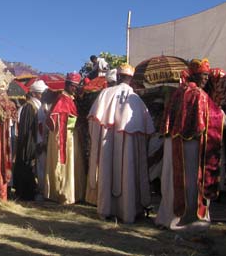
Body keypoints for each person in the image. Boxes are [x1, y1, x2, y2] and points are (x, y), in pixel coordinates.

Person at [156, 59, 224, 232]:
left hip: (176, 143)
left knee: (172, 179)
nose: (205, 79)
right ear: (194, 75)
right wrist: (221, 112)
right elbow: (214, 116)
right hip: (190, 146)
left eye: (207, 76)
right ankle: (187, 219)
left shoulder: (178, 92)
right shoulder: (198, 94)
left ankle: (167, 217)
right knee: (190, 182)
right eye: (203, 76)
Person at [87, 63, 154, 223]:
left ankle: (106, 209)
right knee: (128, 172)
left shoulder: (106, 94)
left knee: (107, 171)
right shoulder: (136, 100)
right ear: (131, 79)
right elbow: (147, 131)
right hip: (129, 148)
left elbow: (93, 122)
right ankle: (129, 211)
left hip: (107, 144)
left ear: (117, 77)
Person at [44, 72, 83, 204]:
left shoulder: (71, 99)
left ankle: (71, 192)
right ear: (67, 85)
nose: (75, 89)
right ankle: (61, 192)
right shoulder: (62, 99)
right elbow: (54, 118)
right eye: (73, 86)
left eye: (76, 86)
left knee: (72, 163)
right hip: (63, 137)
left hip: (71, 136)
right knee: (63, 164)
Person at [13, 79, 48, 200]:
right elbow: (28, 131)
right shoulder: (29, 107)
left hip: (41, 142)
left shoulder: (41, 106)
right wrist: (33, 145)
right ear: (34, 94)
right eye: (40, 93)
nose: (42, 96)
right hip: (33, 144)